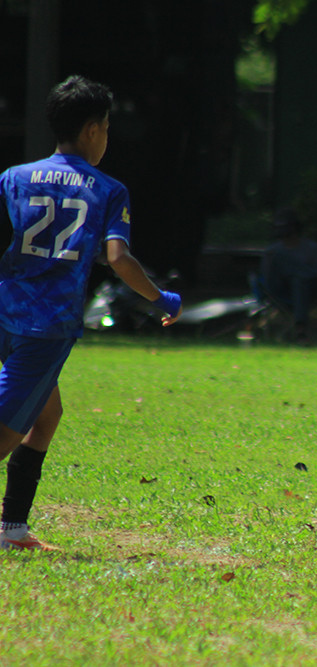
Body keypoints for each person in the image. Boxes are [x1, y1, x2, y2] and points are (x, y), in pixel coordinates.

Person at [0, 75, 182, 551]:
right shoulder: (106, 188)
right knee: (5, 432)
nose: (106, 137)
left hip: (5, 310)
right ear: (91, 130)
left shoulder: (13, 178)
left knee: (47, 416)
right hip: (46, 325)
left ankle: (13, 530)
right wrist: (161, 299)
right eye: (105, 127)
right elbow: (119, 259)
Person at [259, 209, 317, 343]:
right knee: (286, 264)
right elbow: (266, 277)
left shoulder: (311, 248)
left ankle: (300, 328)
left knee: (299, 281)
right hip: (279, 289)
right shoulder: (273, 252)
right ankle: (300, 328)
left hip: (308, 290)